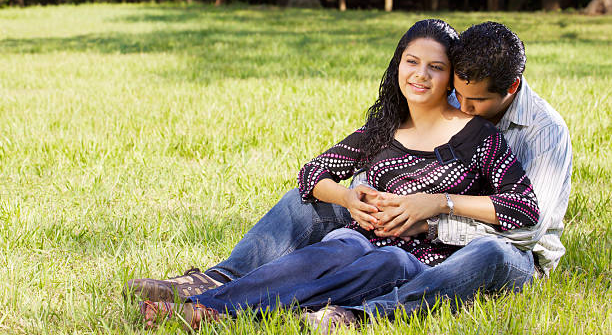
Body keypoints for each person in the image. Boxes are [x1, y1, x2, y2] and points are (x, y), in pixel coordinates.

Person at [131, 19, 541, 330]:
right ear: (398, 64)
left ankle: (212, 309)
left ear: (451, 76)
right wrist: (349, 199)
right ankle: (209, 304)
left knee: (386, 261)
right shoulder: (385, 127)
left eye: (435, 67)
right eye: (411, 62)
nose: (420, 75)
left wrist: (436, 204)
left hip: (418, 258)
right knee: (336, 251)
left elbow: (523, 207)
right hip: (363, 238)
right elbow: (314, 173)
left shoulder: (479, 136)